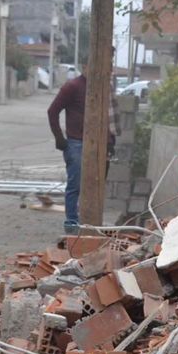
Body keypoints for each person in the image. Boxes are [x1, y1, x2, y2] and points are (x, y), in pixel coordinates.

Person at [47, 72, 117, 234]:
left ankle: (90, 222)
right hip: (76, 143)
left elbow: (108, 118)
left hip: (99, 143)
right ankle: (72, 225)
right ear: (86, 66)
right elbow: (52, 111)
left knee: (97, 183)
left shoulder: (104, 87)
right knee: (76, 185)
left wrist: (110, 141)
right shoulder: (73, 86)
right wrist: (60, 138)